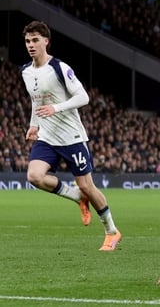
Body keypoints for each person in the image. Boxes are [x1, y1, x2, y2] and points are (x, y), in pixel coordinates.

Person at [21, 20, 121, 251]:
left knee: (88, 187)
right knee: (34, 176)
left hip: (72, 137)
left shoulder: (59, 68)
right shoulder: (25, 71)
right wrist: (33, 125)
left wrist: (57, 108)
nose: (31, 45)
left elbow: (83, 97)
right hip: (46, 136)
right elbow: (36, 102)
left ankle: (112, 231)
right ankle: (76, 196)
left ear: (46, 41)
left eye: (35, 40)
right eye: (27, 41)